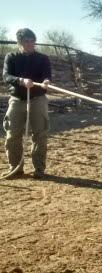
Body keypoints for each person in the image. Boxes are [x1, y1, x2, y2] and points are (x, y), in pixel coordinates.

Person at [2, 28, 51, 179]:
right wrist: (21, 81)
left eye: (32, 41)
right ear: (19, 42)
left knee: (40, 134)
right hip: (17, 100)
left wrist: (46, 82)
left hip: (38, 100)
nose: (30, 44)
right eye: (26, 41)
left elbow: (46, 75)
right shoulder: (11, 57)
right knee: (12, 134)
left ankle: (39, 169)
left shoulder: (43, 58)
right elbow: (6, 76)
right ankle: (15, 168)